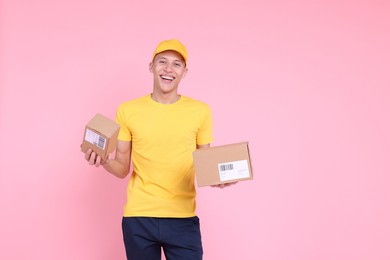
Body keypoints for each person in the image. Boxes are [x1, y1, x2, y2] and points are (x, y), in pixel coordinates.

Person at [84, 39, 236, 260]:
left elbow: (206, 165)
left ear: (185, 72)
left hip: (183, 218)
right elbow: (121, 168)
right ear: (151, 67)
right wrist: (103, 159)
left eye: (177, 64)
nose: (168, 69)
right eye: (162, 62)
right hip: (139, 218)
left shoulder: (200, 111)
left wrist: (219, 178)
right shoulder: (128, 110)